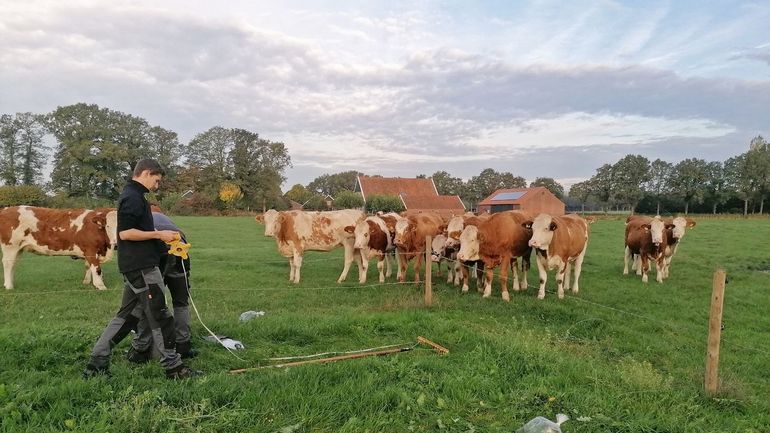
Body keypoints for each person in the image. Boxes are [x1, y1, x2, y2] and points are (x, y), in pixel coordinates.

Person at [83, 159, 196, 379]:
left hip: (136, 265)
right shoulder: (132, 197)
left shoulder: (134, 196)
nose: (157, 185)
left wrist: (162, 241)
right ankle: (174, 368)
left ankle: (96, 363)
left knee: (128, 317)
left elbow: (138, 229)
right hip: (142, 267)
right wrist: (158, 234)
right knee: (159, 316)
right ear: (145, 173)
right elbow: (125, 233)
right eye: (157, 179)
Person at [126, 206, 196, 363]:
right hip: (179, 251)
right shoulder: (166, 220)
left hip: (154, 255)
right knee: (181, 303)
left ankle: (141, 348)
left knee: (148, 302)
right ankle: (183, 344)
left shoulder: (140, 223)